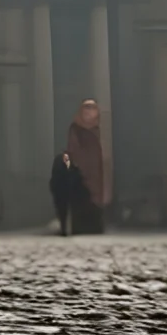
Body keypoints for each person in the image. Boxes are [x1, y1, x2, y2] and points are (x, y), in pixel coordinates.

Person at [64, 99, 108, 235]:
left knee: (96, 201)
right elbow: (73, 149)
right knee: (81, 200)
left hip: (96, 173)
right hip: (81, 172)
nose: (89, 112)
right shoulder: (75, 129)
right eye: (86, 109)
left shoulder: (99, 129)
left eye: (92, 109)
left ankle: (95, 228)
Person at [48, 151, 83, 237]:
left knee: (62, 211)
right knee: (66, 210)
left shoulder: (59, 162)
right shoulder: (66, 160)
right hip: (65, 190)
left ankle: (64, 229)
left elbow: (54, 179)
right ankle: (68, 229)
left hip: (60, 191)